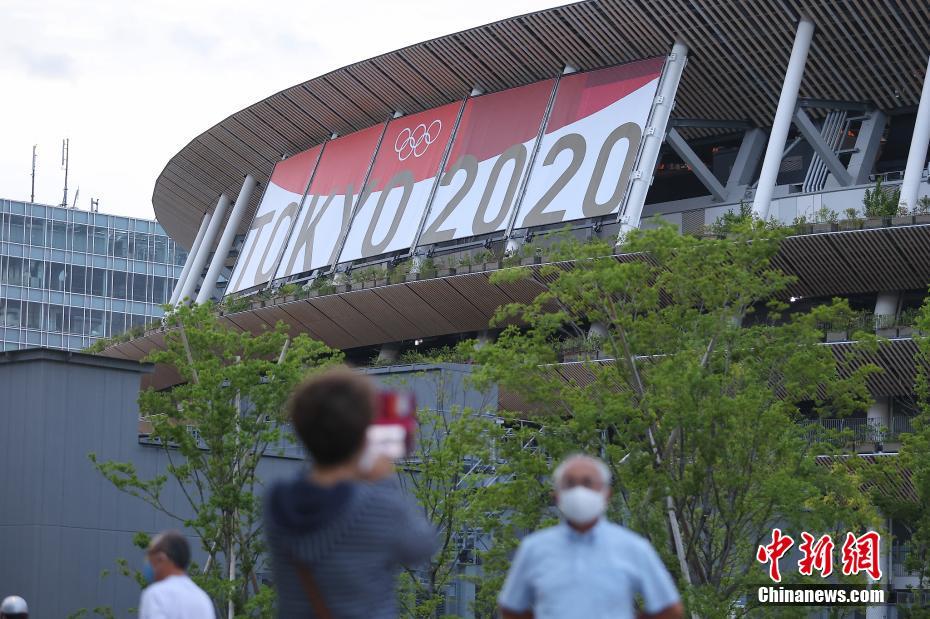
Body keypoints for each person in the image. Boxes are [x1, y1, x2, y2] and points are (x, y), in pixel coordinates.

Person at [264, 367, 438, 619]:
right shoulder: (375, 505)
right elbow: (422, 546)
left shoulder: (276, 500)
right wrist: (383, 477)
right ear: (363, 434)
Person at [499, 454, 684, 619]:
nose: (579, 491)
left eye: (588, 483)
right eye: (570, 484)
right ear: (556, 496)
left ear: (607, 494)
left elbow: (670, 609)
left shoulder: (634, 547)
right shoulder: (534, 548)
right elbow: (511, 608)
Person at [139, 530, 215, 619]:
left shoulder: (156, 595)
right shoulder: (202, 598)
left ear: (161, 558)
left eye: (150, 559)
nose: (148, 564)